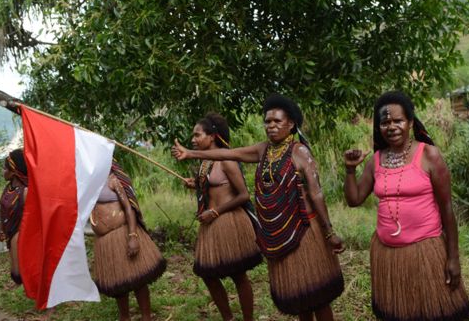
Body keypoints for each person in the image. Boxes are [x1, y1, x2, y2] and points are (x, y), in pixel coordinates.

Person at [173, 95, 344, 321]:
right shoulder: (263, 150)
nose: (271, 126)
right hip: (278, 233)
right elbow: (228, 153)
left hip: (305, 231)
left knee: (318, 296)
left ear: (291, 124)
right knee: (300, 297)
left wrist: (329, 231)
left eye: (277, 121)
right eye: (267, 122)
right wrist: (191, 153)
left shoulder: (299, 152)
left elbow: (316, 193)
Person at [343, 91, 469, 320]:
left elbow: (447, 209)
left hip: (425, 250)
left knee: (433, 313)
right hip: (388, 254)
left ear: (410, 123)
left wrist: (453, 257)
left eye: (398, 121)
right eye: (385, 122)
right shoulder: (376, 160)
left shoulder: (429, 155)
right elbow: (354, 200)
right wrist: (350, 170)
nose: (391, 127)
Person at [181, 112, 262, 321]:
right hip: (210, 224)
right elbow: (212, 186)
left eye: (197, 135)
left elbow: (244, 194)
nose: (193, 140)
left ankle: (248, 319)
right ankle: (228, 318)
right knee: (208, 275)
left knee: (237, 274)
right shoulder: (205, 162)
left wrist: (216, 211)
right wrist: (196, 184)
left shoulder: (227, 159)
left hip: (229, 221)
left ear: (212, 136)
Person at [90, 161, 166, 321]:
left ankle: (146, 317)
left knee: (138, 279)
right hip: (105, 242)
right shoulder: (87, 182)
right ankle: (124, 317)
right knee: (118, 282)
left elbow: (129, 208)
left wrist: (132, 235)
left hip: (122, 234)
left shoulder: (113, 180)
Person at [0, 148, 28, 285]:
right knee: (19, 271)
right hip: (11, 234)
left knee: (29, 269)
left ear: (14, 171)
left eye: (5, 168)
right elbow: (4, 210)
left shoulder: (26, 191)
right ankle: (38, 303)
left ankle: (49, 306)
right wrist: (1, 228)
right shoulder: (9, 188)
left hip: (23, 234)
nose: (2, 171)